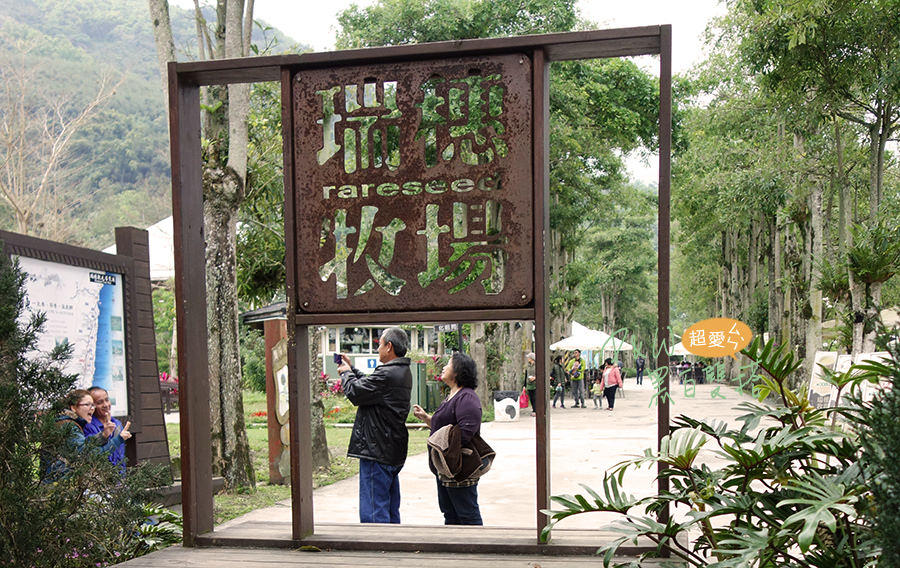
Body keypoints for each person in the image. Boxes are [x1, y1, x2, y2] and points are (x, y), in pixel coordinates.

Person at [337, 327, 412, 524]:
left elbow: (355, 392)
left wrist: (345, 374)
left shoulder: (388, 374)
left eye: (379, 345)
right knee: (389, 506)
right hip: (391, 449)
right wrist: (352, 370)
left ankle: (377, 549)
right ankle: (392, 546)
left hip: (377, 448)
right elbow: (370, 386)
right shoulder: (401, 371)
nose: (378, 349)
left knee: (374, 510)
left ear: (389, 347)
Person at [412, 353, 486, 525]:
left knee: (467, 513)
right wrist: (427, 418)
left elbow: (466, 432)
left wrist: (443, 448)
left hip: (459, 468)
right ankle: (455, 549)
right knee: (450, 513)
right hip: (445, 467)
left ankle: (475, 547)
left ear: (459, 371)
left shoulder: (466, 397)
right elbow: (446, 429)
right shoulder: (452, 396)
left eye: (449, 364)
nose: (444, 367)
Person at [43, 389, 132, 481]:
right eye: (87, 404)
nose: (92, 408)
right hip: (59, 484)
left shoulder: (69, 423)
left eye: (93, 405)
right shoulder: (68, 426)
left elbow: (84, 445)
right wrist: (118, 439)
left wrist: (103, 435)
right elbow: (89, 455)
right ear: (73, 407)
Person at [83, 386, 127, 473]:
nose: (106, 405)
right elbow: (91, 452)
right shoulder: (88, 426)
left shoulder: (117, 424)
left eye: (107, 400)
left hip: (120, 477)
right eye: (100, 402)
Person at [523, 352, 539, 417]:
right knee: (531, 398)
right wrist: (524, 385)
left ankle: (535, 410)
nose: (528, 359)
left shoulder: (536, 365)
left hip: (535, 384)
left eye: (529, 357)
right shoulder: (528, 366)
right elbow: (526, 375)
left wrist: (535, 378)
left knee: (535, 397)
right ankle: (533, 409)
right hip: (529, 383)